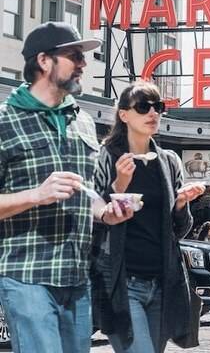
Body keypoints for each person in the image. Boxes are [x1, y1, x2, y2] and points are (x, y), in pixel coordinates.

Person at [0, 22, 134, 353]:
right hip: (26, 274)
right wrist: (36, 195)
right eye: (74, 56)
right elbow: (45, 193)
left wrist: (106, 212)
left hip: (77, 276)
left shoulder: (83, 120)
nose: (83, 64)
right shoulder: (5, 120)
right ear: (44, 61)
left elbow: (83, 191)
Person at [91, 80, 205, 352]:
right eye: (143, 107)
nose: (153, 113)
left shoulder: (169, 161)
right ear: (124, 115)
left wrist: (180, 204)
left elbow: (178, 231)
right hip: (120, 282)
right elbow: (93, 214)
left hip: (162, 282)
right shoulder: (107, 157)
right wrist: (118, 184)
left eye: (158, 106)